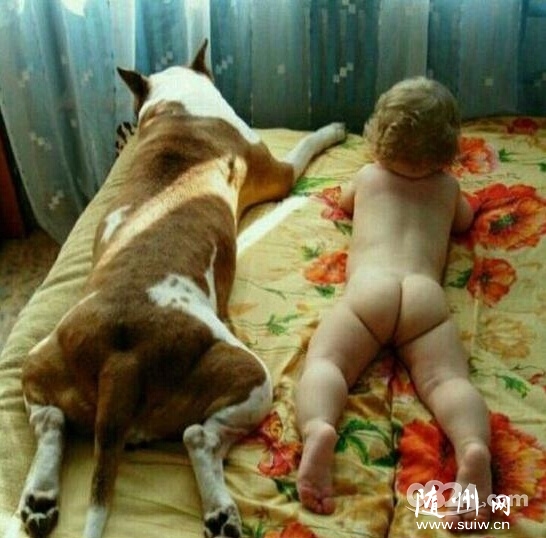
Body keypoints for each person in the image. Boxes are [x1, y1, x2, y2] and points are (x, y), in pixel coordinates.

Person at [295, 77, 491, 524]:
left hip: (371, 289)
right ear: (448, 147)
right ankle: (472, 448)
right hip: (423, 295)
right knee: (447, 381)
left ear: (379, 136)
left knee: (327, 363)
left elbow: (345, 203)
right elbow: (464, 222)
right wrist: (468, 205)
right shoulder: (448, 189)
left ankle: (319, 428)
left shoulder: (367, 177)